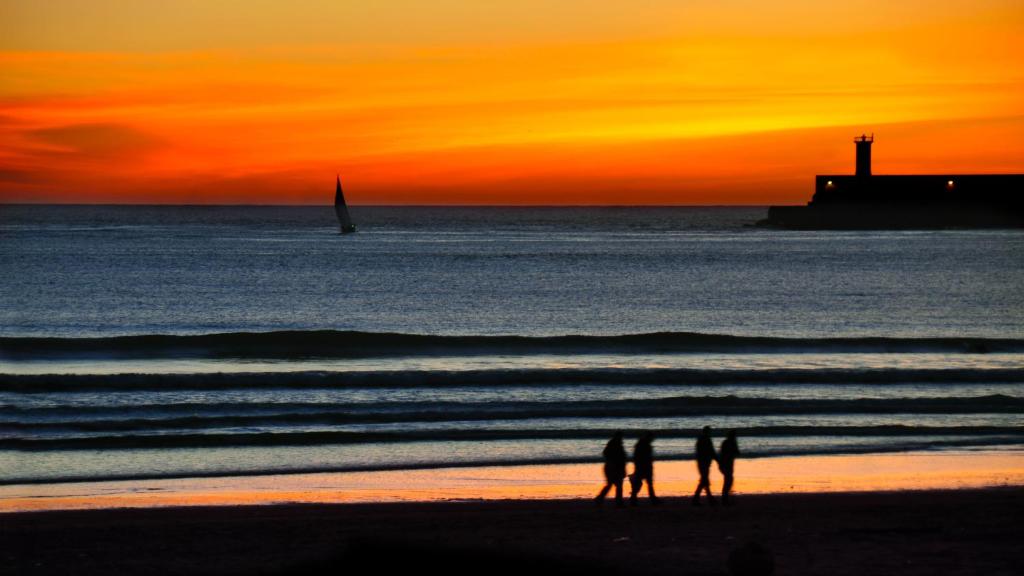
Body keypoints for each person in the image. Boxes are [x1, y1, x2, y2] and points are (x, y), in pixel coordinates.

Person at [595, 431, 627, 506]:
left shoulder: (615, 444)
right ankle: (618, 502)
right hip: (612, 468)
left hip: (613, 467)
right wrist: (612, 462)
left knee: (612, 485)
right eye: (620, 436)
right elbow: (607, 454)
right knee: (617, 485)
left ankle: (600, 498)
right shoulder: (615, 444)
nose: (621, 438)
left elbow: (606, 453)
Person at [630, 431, 659, 505]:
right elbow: (644, 458)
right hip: (643, 467)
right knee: (645, 484)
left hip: (642, 467)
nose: (652, 440)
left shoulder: (641, 444)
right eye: (652, 438)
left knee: (640, 484)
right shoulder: (644, 445)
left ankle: (634, 498)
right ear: (649, 437)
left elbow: (636, 457)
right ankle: (652, 499)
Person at [692, 426, 717, 506]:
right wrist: (718, 460)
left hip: (701, 462)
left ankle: (709, 498)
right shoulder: (707, 440)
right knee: (704, 480)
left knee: (704, 480)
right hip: (704, 462)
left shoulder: (700, 439)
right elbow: (712, 451)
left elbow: (699, 452)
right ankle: (697, 498)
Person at [719, 430, 740, 505]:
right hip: (727, 464)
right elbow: (738, 452)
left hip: (725, 464)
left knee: (728, 480)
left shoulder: (725, 442)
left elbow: (721, 453)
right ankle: (725, 499)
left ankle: (725, 498)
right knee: (728, 481)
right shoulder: (732, 443)